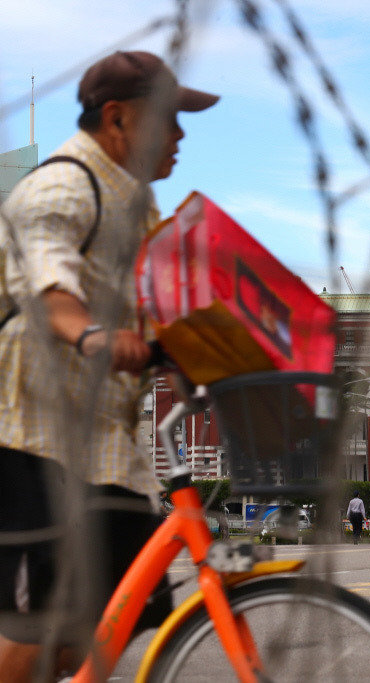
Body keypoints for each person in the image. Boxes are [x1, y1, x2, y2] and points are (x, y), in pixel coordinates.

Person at [0, 50, 218, 678]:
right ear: (117, 119)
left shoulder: (139, 206)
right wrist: (93, 335)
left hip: (102, 447)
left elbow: (166, 313)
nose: (179, 136)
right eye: (169, 120)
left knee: (114, 618)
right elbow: (50, 285)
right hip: (30, 435)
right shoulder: (63, 184)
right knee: (47, 622)